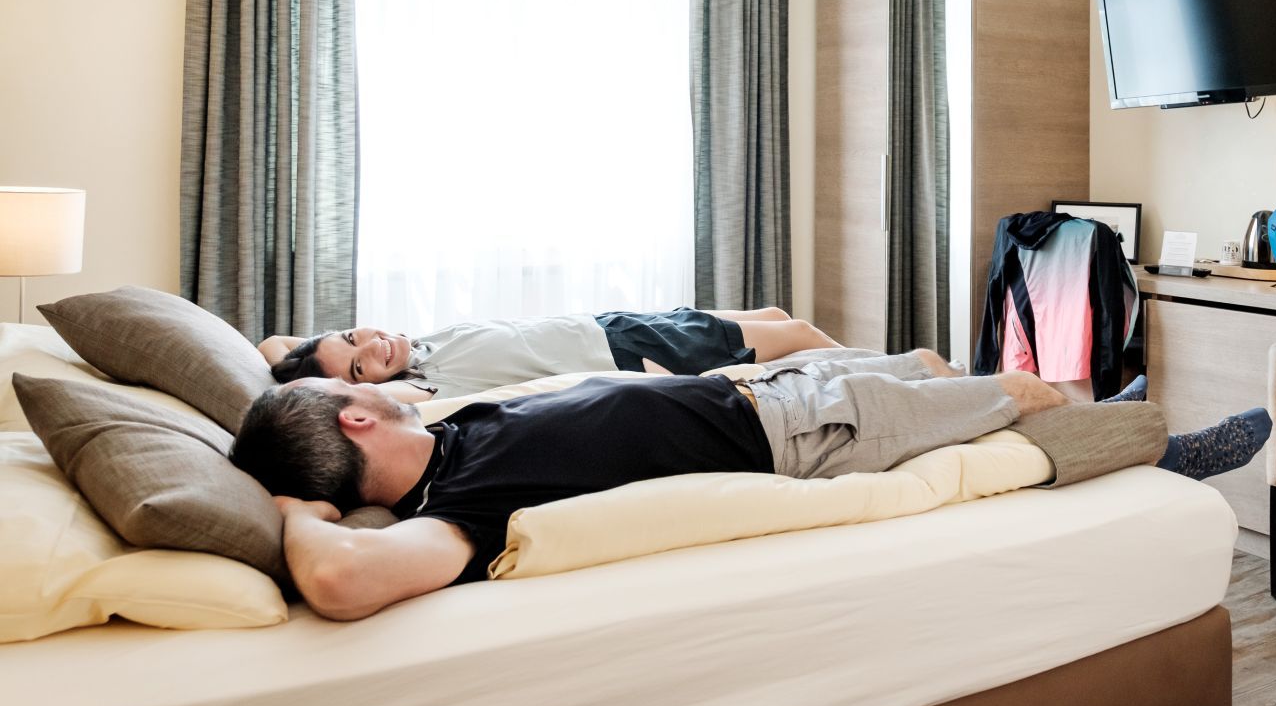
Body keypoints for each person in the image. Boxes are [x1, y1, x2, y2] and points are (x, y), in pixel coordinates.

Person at [232, 353, 1270, 622]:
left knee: (959, 377)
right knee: (1017, 395)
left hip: (771, 393)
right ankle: (1160, 447)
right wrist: (293, 509)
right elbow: (342, 583)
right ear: (353, 420)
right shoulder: (457, 513)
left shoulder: (453, 437)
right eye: (341, 389)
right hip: (803, 435)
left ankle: (1121, 414)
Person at [258, 306, 841, 404]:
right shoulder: (429, 387)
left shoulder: (418, 346)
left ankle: (881, 373)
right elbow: (305, 388)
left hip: (612, 323)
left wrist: (291, 360)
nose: (373, 345)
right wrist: (288, 387)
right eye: (361, 364)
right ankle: (903, 375)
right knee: (804, 334)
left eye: (354, 336)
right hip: (628, 351)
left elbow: (271, 348)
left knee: (775, 318)